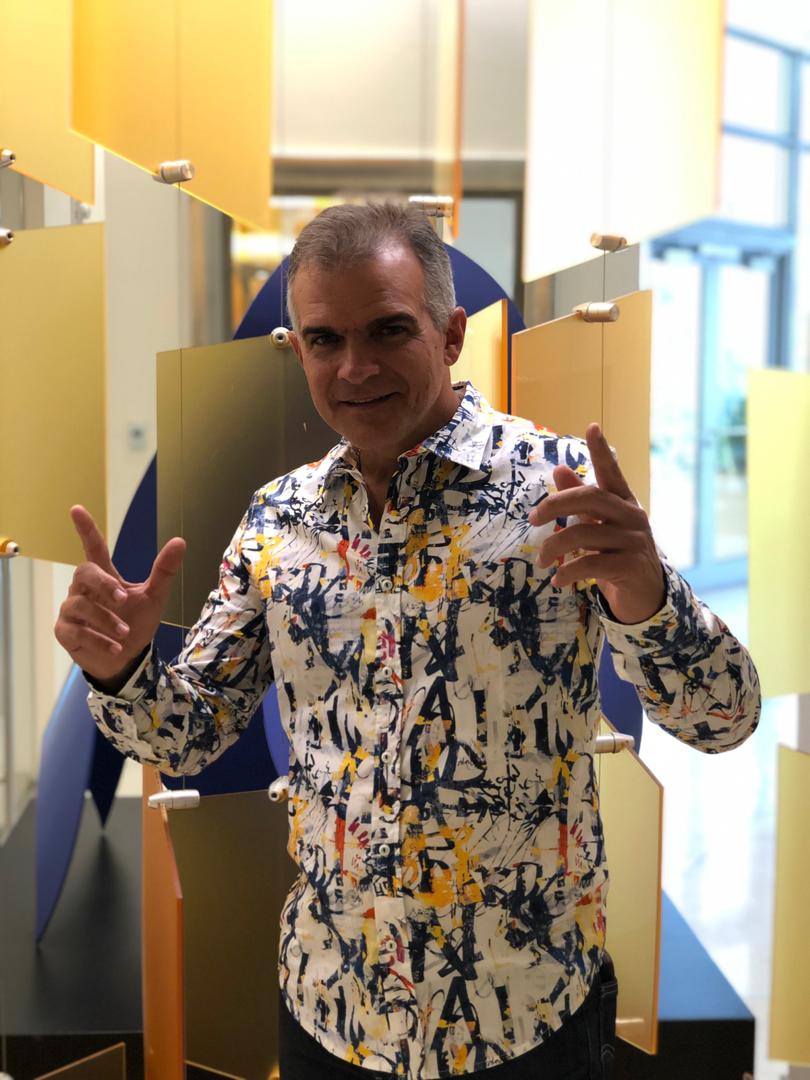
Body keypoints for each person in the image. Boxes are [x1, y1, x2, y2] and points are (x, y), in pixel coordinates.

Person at [55, 203, 760, 1080]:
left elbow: (724, 718)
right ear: (298, 349)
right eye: (325, 340)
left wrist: (649, 598)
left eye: (389, 330)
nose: (354, 368)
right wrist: (123, 669)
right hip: (332, 1010)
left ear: (452, 333)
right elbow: (187, 735)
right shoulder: (279, 519)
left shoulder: (558, 494)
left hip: (526, 1014)